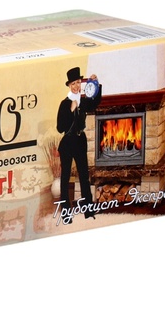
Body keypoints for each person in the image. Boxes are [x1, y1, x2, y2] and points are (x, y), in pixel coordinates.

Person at [56, 67, 102, 218]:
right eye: (73, 84)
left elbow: (95, 103)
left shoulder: (83, 101)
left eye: (78, 82)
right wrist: (71, 110)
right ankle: (66, 213)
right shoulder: (64, 103)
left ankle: (88, 210)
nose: (76, 86)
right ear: (69, 86)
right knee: (65, 178)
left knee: (84, 176)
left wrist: (96, 84)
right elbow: (60, 127)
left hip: (80, 141)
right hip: (68, 143)